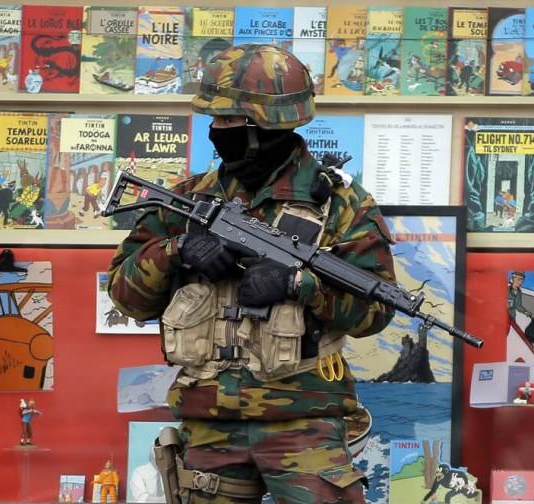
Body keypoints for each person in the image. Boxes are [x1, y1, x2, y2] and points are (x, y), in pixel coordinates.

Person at [108, 44, 396, 503]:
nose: (216, 132)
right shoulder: (186, 199)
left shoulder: (340, 205)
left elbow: (374, 312)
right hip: (209, 422)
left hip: (303, 422)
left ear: (268, 125)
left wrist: (300, 285)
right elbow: (125, 297)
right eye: (215, 121)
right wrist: (176, 251)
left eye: (228, 122)